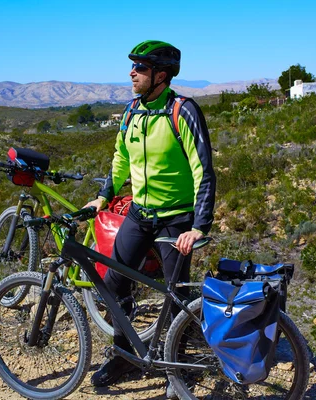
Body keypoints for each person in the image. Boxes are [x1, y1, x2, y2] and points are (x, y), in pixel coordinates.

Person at [85, 40, 216, 390]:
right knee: (113, 285)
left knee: (177, 297)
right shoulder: (132, 112)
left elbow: (203, 169)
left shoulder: (182, 110)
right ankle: (123, 356)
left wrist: (200, 226)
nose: (132, 73)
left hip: (176, 218)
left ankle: (179, 367)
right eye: (133, 67)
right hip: (139, 215)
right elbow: (120, 160)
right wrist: (103, 197)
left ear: (161, 75)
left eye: (140, 68)